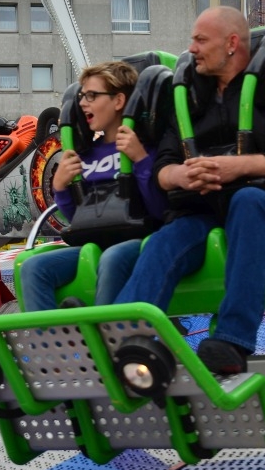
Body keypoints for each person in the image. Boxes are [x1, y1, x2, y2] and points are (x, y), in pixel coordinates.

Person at [112, 6, 265, 375]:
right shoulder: (188, 96)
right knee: (167, 240)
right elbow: (164, 164)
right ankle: (122, 341)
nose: (191, 49)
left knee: (247, 200)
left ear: (231, 44)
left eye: (200, 40)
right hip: (203, 206)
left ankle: (232, 341)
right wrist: (180, 176)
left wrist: (239, 166)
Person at [19, 61, 167, 311]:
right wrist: (61, 187)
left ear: (118, 101)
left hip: (140, 241)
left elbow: (159, 208)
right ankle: (52, 335)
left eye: (92, 96)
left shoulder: (145, 148)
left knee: (112, 258)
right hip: (95, 242)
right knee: (33, 268)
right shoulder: (86, 155)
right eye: (82, 97)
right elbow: (79, 219)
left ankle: (103, 330)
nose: (83, 104)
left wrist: (141, 160)